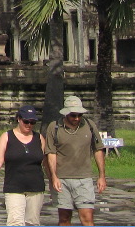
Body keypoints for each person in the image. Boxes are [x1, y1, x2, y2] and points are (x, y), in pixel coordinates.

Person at [0, 105, 50, 226]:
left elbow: (45, 162)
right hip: (14, 186)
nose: (29, 125)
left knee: (32, 222)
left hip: (36, 187)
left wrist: (53, 179)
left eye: (32, 122)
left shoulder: (39, 138)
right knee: (15, 222)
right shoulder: (6, 137)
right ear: (18, 119)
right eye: (26, 121)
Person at [45, 96, 106, 226]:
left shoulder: (89, 125)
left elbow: (98, 150)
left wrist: (102, 176)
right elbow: (51, 153)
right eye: (73, 115)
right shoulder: (54, 127)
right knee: (64, 218)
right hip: (62, 179)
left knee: (87, 217)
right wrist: (53, 177)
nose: (77, 118)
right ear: (66, 113)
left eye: (79, 115)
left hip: (84, 178)